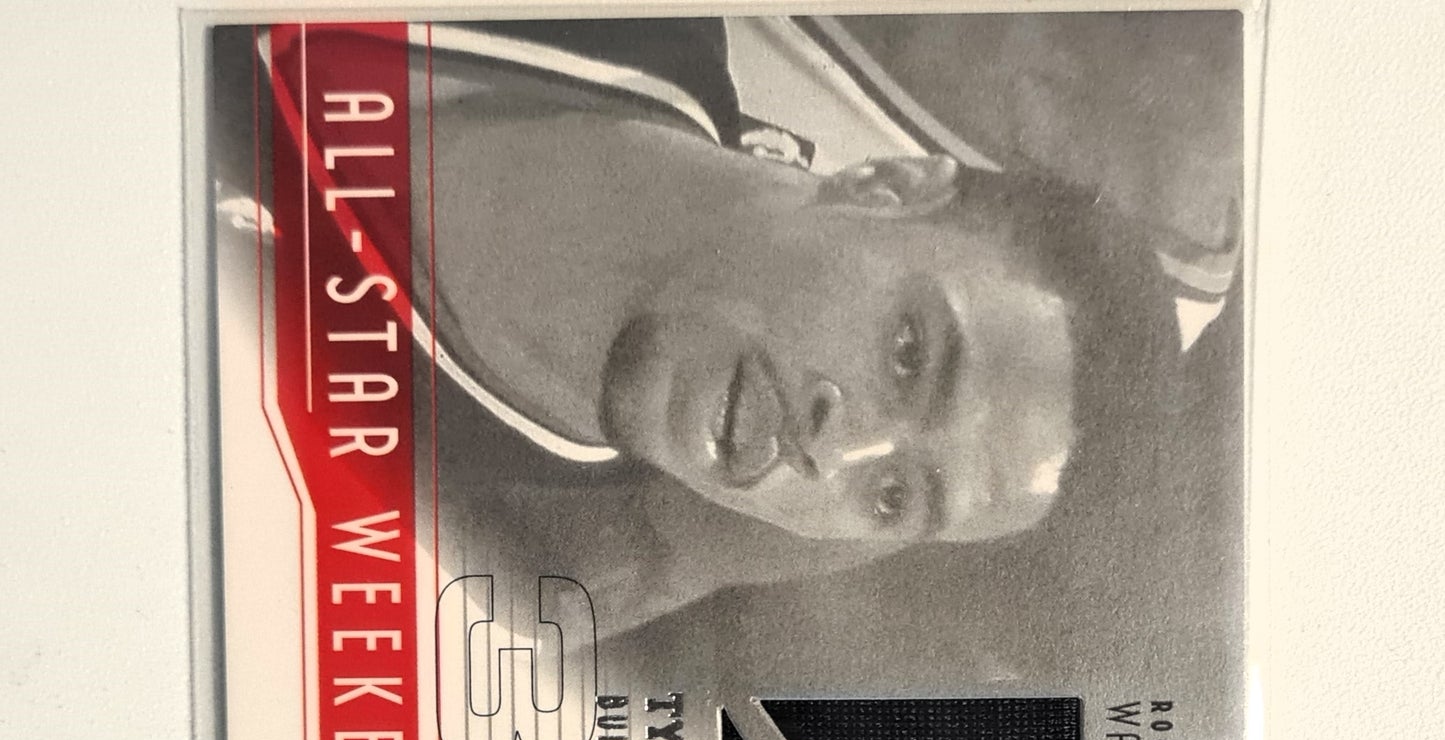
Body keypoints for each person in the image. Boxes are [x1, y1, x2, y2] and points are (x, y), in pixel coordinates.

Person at [259, 19, 1195, 641]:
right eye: (908, 356)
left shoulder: (424, 552)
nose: (832, 454)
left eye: (892, 497)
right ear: (888, 185)